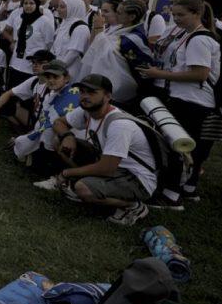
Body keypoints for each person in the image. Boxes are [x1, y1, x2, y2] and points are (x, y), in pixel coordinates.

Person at [138, 0, 222, 207]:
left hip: (193, 101)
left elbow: (200, 74)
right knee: (175, 145)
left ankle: (172, 195)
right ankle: (173, 189)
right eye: (174, 15)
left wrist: (160, 74)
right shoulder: (189, 35)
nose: (176, 19)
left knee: (180, 147)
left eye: (181, 15)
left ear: (196, 14)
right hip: (185, 98)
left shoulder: (199, 39)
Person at [49, 74, 156, 226]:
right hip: (112, 165)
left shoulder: (119, 125)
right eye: (82, 91)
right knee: (59, 141)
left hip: (136, 178)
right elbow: (59, 122)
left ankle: (133, 206)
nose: (85, 96)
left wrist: (67, 173)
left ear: (107, 96)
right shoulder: (87, 110)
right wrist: (67, 136)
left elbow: (107, 168)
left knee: (83, 189)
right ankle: (88, 183)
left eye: (92, 92)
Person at [3, 0, 55, 88]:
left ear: (37, 5)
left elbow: (50, 43)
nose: (28, 6)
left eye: (31, 3)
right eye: (25, 3)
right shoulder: (19, 19)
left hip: (32, 66)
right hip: (16, 63)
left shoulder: (44, 21)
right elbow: (16, 38)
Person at [51, 0, 91, 80]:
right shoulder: (64, 24)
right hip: (57, 70)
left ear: (74, 8)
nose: (58, 9)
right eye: (58, 6)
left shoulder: (81, 27)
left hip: (69, 72)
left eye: (62, 7)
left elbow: (74, 52)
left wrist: (58, 68)